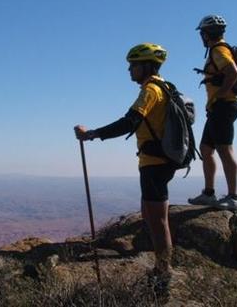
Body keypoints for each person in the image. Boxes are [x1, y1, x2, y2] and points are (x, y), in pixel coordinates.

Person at [74, 43, 175, 276]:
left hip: (154, 163)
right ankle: (161, 264)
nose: (129, 70)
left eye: (133, 65)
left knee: (158, 220)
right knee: (150, 214)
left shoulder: (151, 90)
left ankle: (164, 271)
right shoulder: (166, 87)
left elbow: (129, 122)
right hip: (160, 159)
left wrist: (92, 134)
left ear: (146, 66)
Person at [188, 15, 237, 211]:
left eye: (202, 34)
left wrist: (218, 96)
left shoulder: (218, 50)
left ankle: (233, 197)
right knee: (206, 149)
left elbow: (233, 73)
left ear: (206, 34)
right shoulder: (218, 49)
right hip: (220, 107)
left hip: (223, 106)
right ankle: (209, 194)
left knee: (224, 150)